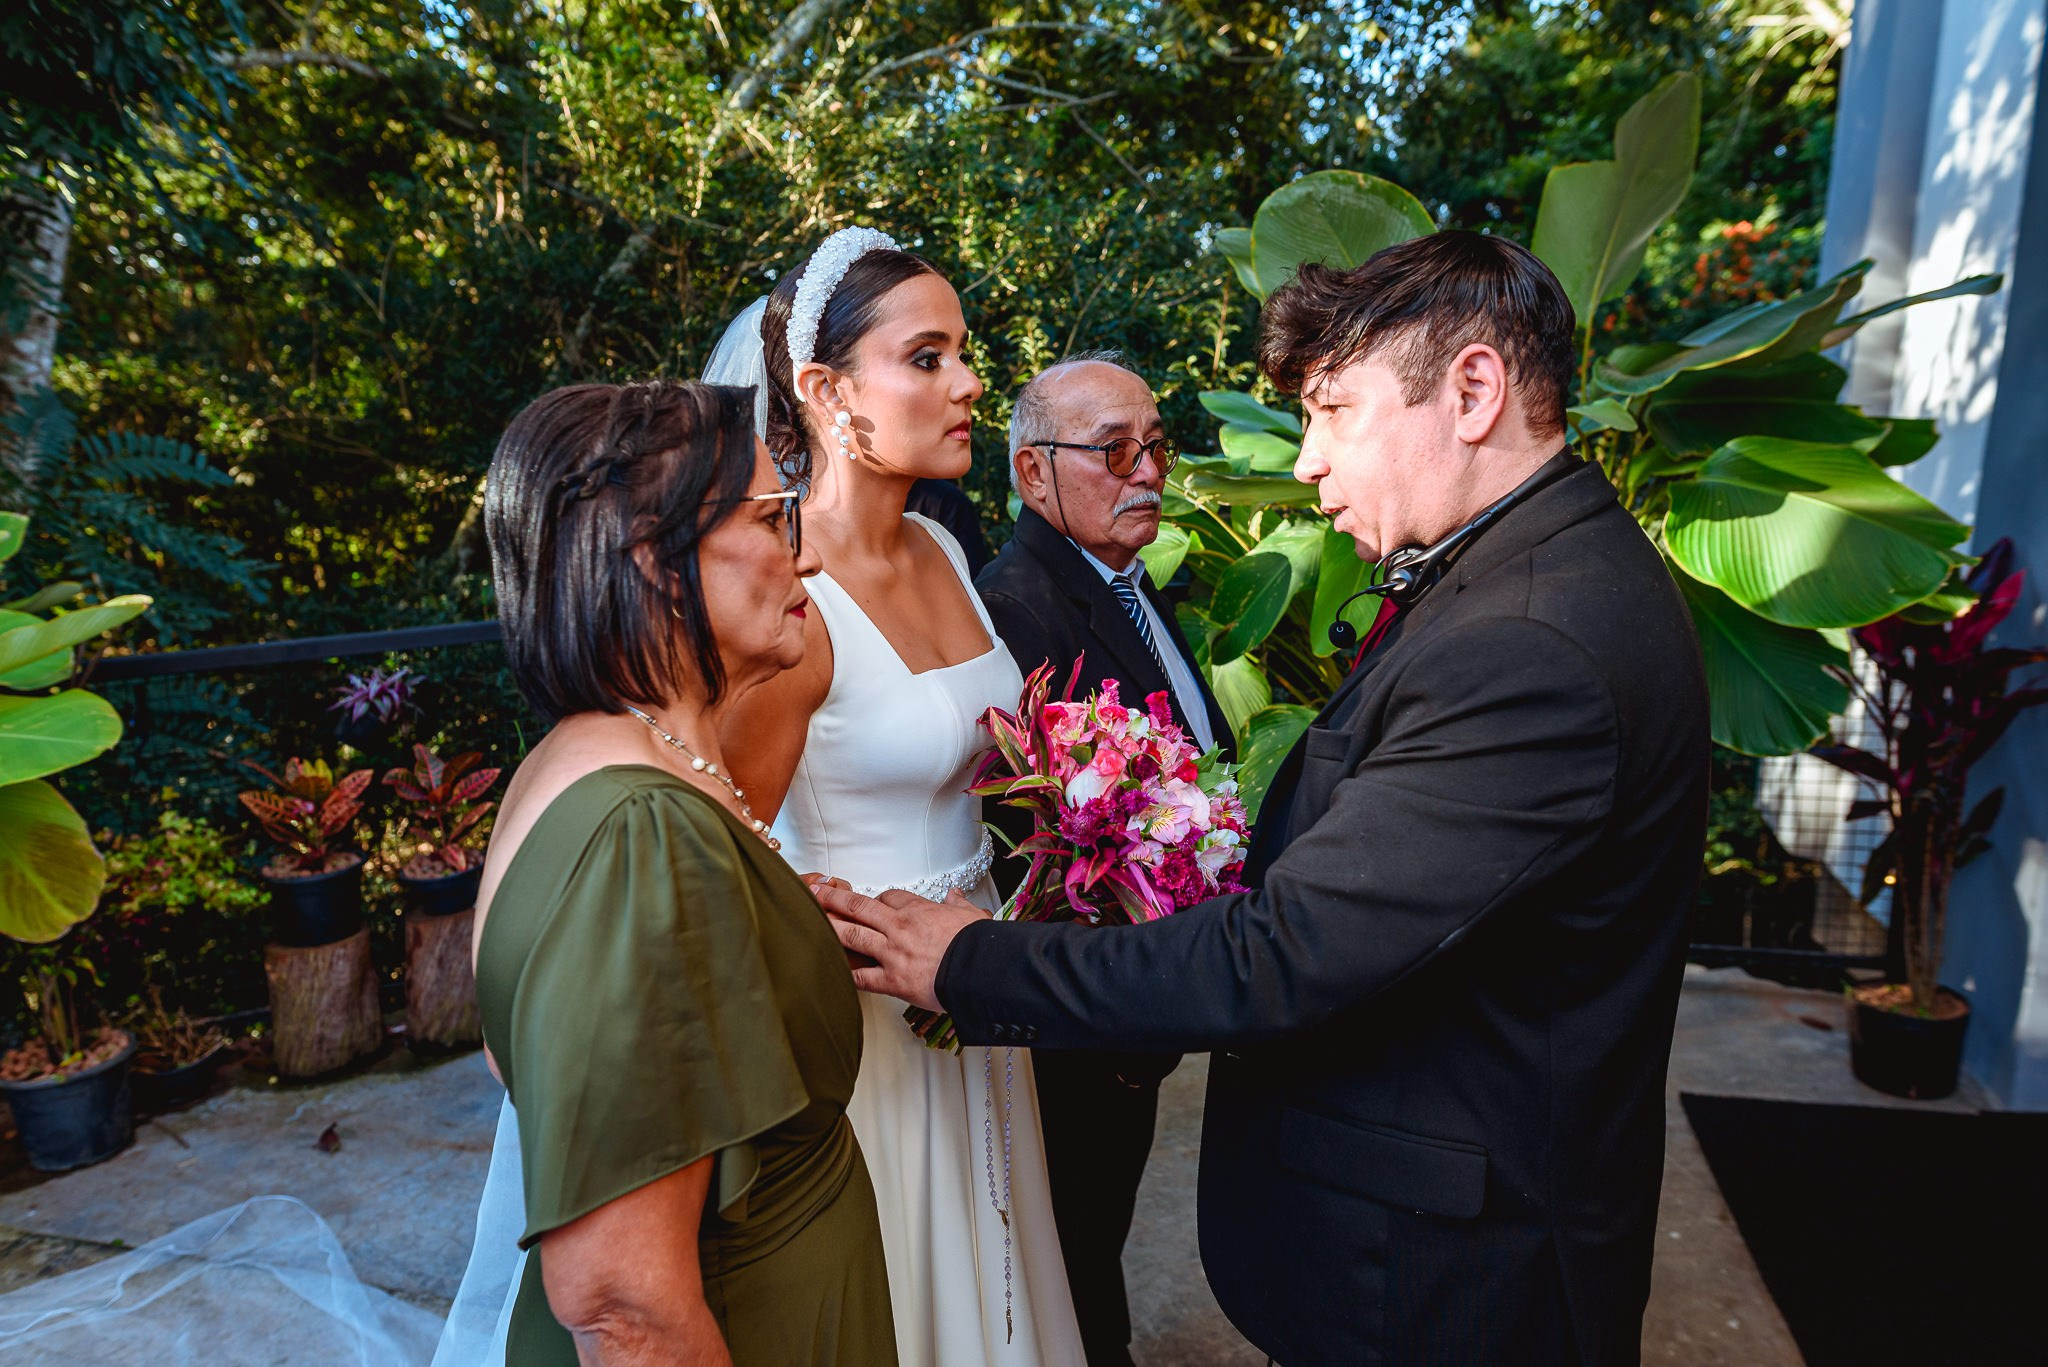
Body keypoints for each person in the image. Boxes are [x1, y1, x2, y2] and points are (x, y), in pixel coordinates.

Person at [819, 232, 1713, 1366]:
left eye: (1332, 411)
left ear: (1472, 390)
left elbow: (1284, 953)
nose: (1308, 462)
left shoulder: (1532, 640)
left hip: (1454, 1280)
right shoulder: (1527, 577)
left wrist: (972, 962)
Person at [464, 379, 895, 1365]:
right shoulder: (640, 833)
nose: (808, 555)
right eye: (773, 517)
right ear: (652, 560)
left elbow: (534, 1051)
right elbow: (622, 1302)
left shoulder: (591, 757)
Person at [714, 228, 1086, 1366]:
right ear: (826, 392)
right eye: (926, 357)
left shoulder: (938, 546)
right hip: (871, 1024)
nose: (969, 383)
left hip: (978, 984)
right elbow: (724, 850)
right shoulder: (793, 598)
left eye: (962, 352)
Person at [974, 351, 1234, 1367]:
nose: (1149, 471)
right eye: (1114, 450)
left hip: (1134, 998)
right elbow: (1020, 837)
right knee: (1071, 1239)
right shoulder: (1015, 609)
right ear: (1032, 472)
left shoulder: (1124, 580)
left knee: (1096, 1225)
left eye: (1155, 446)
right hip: (1077, 1008)